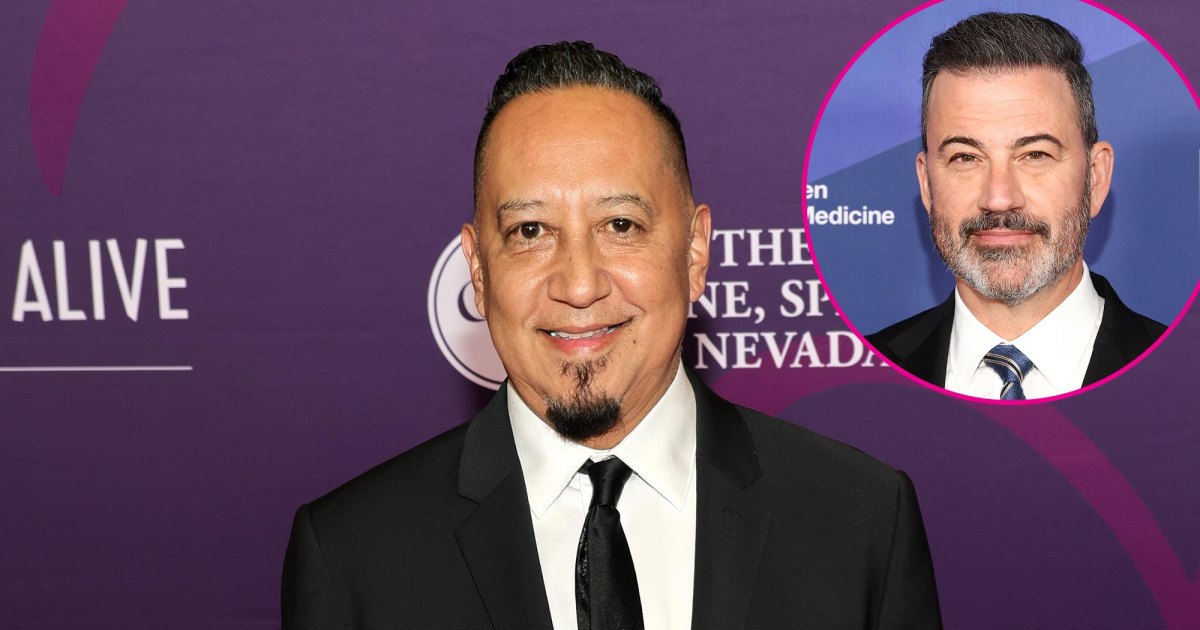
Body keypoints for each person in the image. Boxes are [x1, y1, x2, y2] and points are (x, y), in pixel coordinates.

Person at [283, 41, 941, 629]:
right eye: (530, 231)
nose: (578, 284)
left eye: (620, 225)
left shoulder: (858, 521)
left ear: (695, 252)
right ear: (478, 270)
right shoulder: (352, 557)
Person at [867, 12, 1166, 401]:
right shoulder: (860, 379)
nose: (999, 198)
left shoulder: (1182, 373)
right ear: (927, 184)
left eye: (1035, 155)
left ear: (1095, 177)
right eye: (965, 157)